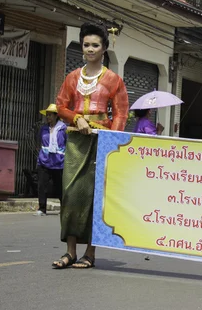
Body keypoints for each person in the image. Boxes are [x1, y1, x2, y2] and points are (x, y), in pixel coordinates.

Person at [52, 22, 129, 269]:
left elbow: (121, 113)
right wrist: (76, 118)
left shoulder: (114, 80)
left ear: (104, 48)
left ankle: (90, 253)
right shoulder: (72, 77)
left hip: (101, 142)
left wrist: (111, 141)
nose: (90, 49)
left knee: (94, 196)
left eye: (95, 45)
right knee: (71, 194)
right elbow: (61, 106)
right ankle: (70, 251)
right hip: (75, 140)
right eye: (86, 45)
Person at [35, 104, 66, 216]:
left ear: (56, 116)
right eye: (47, 115)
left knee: (60, 187)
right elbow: (39, 142)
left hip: (59, 162)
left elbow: (66, 144)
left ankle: (65, 208)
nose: (48, 117)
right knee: (42, 185)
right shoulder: (43, 129)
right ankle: (42, 209)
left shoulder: (63, 129)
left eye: (50, 115)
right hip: (44, 161)